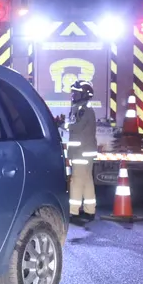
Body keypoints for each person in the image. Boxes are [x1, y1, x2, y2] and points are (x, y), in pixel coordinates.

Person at [65, 80, 98, 225]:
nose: (73, 95)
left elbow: (77, 127)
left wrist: (63, 124)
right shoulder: (82, 108)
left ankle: (73, 212)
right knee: (86, 180)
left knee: (76, 181)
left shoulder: (83, 110)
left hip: (81, 152)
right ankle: (90, 210)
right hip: (85, 151)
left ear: (84, 94)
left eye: (76, 93)